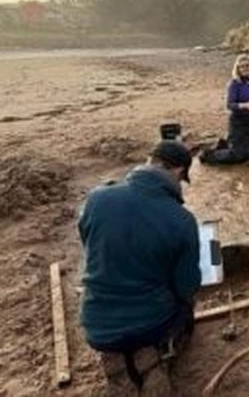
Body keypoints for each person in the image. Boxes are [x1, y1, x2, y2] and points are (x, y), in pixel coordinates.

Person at [78, 140, 201, 391]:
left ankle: (118, 357)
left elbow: (89, 245)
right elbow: (187, 287)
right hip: (151, 323)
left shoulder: (97, 198)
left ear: (148, 161)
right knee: (186, 307)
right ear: (178, 172)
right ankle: (159, 351)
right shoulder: (183, 220)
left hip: (96, 325)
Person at [200, 54, 249, 165]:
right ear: (238, 69)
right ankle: (208, 155)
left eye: (247, 65)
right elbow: (230, 105)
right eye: (242, 66)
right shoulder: (235, 84)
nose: (245, 68)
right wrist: (245, 105)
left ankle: (225, 144)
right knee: (239, 155)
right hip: (239, 120)